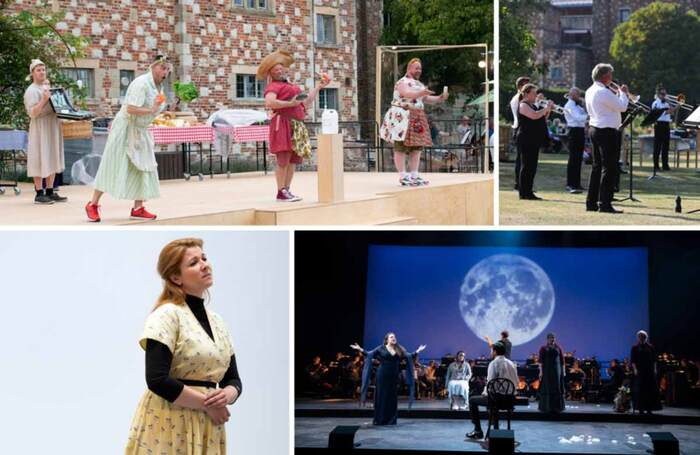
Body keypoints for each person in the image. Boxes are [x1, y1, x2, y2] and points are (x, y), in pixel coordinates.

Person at [125, 238, 242, 454]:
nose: (205, 265)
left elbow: (233, 378)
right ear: (175, 277)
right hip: (169, 420)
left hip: (209, 423)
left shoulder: (218, 321)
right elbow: (156, 379)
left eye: (204, 258)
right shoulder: (167, 315)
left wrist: (227, 394)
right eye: (194, 262)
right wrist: (208, 404)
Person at [86, 54, 171, 222]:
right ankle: (92, 204)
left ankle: (138, 208)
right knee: (113, 164)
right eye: (163, 68)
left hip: (141, 129)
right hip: (125, 129)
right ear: (153, 67)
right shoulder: (141, 84)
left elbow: (153, 107)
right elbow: (131, 108)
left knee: (143, 166)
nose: (165, 72)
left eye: (168, 69)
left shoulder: (157, 87)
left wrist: (160, 110)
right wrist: (152, 110)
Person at [258, 50, 330, 202]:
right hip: (282, 123)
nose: (279, 71)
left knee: (292, 159)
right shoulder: (273, 86)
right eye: (276, 69)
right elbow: (269, 102)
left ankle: (287, 190)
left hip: (296, 125)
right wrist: (290, 103)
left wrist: (318, 87)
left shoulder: (291, 85)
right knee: (283, 158)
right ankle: (280, 191)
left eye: (281, 68)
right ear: (271, 73)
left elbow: (306, 103)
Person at [380, 58, 449, 186]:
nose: (419, 70)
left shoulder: (419, 84)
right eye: (416, 67)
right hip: (403, 116)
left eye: (420, 68)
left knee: (417, 147)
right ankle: (403, 175)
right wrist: (421, 92)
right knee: (400, 146)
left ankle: (414, 174)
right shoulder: (402, 82)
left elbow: (426, 98)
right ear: (409, 68)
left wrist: (440, 98)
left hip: (417, 116)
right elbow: (406, 93)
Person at [351, 333, 426, 425]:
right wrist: (360, 349)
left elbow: (409, 356)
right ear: (387, 339)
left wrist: (418, 351)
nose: (394, 338)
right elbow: (369, 354)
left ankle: (391, 420)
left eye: (394, 337)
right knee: (382, 397)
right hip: (382, 375)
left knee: (392, 398)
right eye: (391, 337)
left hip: (393, 376)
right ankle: (380, 419)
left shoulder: (399, 348)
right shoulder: (381, 348)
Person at [584, 63, 629, 214]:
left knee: (597, 167)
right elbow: (622, 107)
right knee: (609, 168)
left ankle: (591, 202)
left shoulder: (591, 90)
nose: (612, 78)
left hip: (595, 128)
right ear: (605, 76)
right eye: (610, 74)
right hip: (606, 131)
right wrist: (623, 93)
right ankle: (605, 204)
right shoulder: (603, 91)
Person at [23, 59, 67, 205]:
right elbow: (33, 113)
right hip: (40, 126)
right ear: (33, 73)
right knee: (39, 156)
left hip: (52, 124)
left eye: (43, 69)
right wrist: (43, 99)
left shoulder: (47, 87)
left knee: (52, 155)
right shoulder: (31, 90)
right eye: (38, 70)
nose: (42, 72)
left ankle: (50, 191)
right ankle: (39, 193)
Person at [466, 341, 518, 440]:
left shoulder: (493, 363)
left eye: (491, 350)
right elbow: (516, 383)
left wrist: (485, 393)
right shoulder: (512, 364)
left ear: (495, 351)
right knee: (492, 398)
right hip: (509, 401)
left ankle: (478, 431)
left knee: (473, 400)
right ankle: (494, 429)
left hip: (497, 400)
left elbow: (490, 383)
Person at [517, 83, 552, 200]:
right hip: (526, 139)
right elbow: (534, 116)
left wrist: (549, 109)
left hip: (533, 139)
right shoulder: (523, 105)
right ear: (526, 94)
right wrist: (545, 108)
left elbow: (542, 118)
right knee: (526, 166)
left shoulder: (533, 105)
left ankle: (529, 191)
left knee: (532, 166)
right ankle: (523, 192)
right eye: (533, 93)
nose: (535, 95)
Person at [563, 87, 588, 193]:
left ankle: (577, 183)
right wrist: (589, 116)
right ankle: (570, 184)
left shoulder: (577, 105)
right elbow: (578, 118)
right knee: (573, 159)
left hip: (580, 131)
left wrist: (586, 109)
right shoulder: (569, 105)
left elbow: (583, 114)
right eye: (577, 94)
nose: (579, 96)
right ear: (572, 95)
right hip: (573, 131)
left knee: (578, 158)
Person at [630, 330, 661, 414]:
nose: (641, 337)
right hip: (640, 371)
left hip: (649, 370)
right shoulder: (635, 347)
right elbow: (633, 360)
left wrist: (655, 369)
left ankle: (649, 408)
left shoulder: (650, 347)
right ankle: (640, 408)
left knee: (650, 390)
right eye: (640, 336)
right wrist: (635, 369)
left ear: (646, 337)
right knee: (640, 390)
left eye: (643, 336)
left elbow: (654, 360)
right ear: (638, 337)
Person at [511, 76, 530, 190]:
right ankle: (519, 184)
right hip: (520, 128)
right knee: (521, 159)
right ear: (519, 87)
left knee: (525, 159)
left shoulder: (523, 98)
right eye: (526, 86)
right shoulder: (518, 99)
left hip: (523, 128)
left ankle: (523, 183)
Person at [538, 333, 565, 413]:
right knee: (547, 387)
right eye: (550, 338)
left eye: (553, 338)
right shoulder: (543, 348)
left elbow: (562, 360)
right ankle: (546, 407)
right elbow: (540, 361)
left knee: (557, 387)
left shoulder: (558, 347)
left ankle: (557, 407)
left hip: (557, 370)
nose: (552, 339)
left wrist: (563, 371)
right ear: (547, 339)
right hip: (547, 370)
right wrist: (540, 372)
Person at [651, 86, 675, 172]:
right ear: (658, 94)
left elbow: (672, 111)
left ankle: (665, 165)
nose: (664, 95)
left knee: (666, 146)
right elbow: (665, 112)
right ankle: (656, 165)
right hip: (659, 125)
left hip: (666, 125)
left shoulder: (667, 103)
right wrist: (672, 107)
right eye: (662, 94)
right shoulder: (655, 103)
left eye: (665, 94)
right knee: (657, 146)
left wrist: (674, 104)